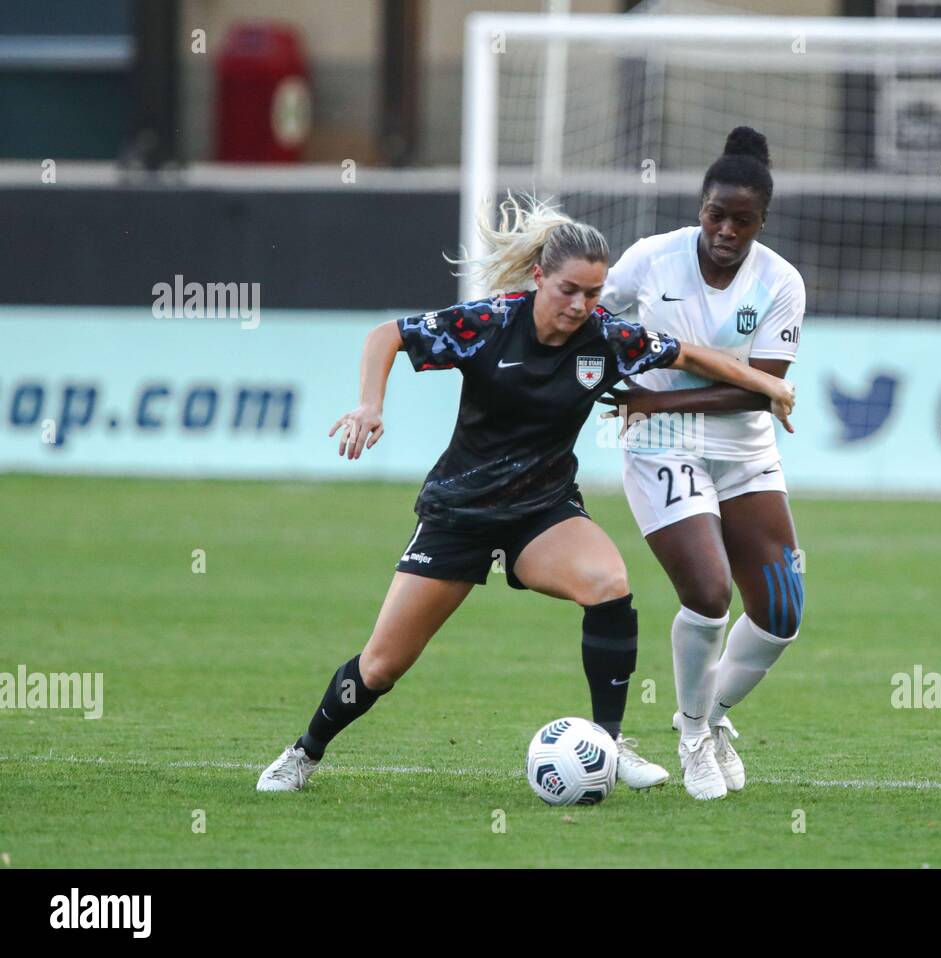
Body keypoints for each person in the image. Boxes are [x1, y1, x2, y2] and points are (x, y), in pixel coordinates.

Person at [256, 192, 796, 794]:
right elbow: (388, 335)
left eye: (593, 293)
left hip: (543, 513)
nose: (581, 305)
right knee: (382, 665)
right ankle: (304, 753)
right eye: (569, 290)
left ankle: (609, 743)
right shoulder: (487, 324)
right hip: (461, 513)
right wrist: (369, 404)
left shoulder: (607, 340)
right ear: (540, 276)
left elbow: (689, 353)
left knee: (610, 585)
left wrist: (767, 386)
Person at [597, 127, 806, 800]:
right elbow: (589, 325)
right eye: (717, 214)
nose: (725, 230)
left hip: (743, 450)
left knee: (782, 612)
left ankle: (713, 718)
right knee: (710, 594)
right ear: (700, 206)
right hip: (662, 448)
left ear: (761, 221)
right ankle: (691, 738)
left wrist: (654, 401)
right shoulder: (648, 261)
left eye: (742, 221)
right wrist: (604, 383)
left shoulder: (780, 282)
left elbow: (759, 388)